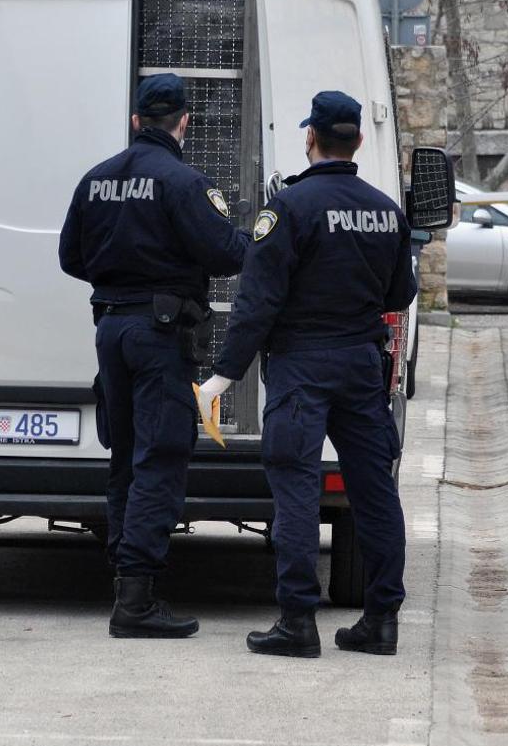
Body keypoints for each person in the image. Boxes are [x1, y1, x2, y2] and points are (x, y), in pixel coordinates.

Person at [198, 90, 416, 658]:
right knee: (375, 493)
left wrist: (223, 376)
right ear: (360, 143)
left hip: (301, 368)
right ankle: (382, 620)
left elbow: (257, 302)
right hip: (362, 366)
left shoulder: (289, 209)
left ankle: (297, 622)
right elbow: (401, 293)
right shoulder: (386, 210)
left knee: (296, 490)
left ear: (311, 138)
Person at [59, 72, 250, 639]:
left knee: (126, 457)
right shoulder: (183, 182)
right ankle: (136, 601)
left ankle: (125, 579)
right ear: (183, 122)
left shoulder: (96, 180)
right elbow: (226, 253)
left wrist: (119, 270)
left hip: (111, 329)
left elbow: (71, 257)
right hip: (159, 334)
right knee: (161, 457)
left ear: (137, 120)